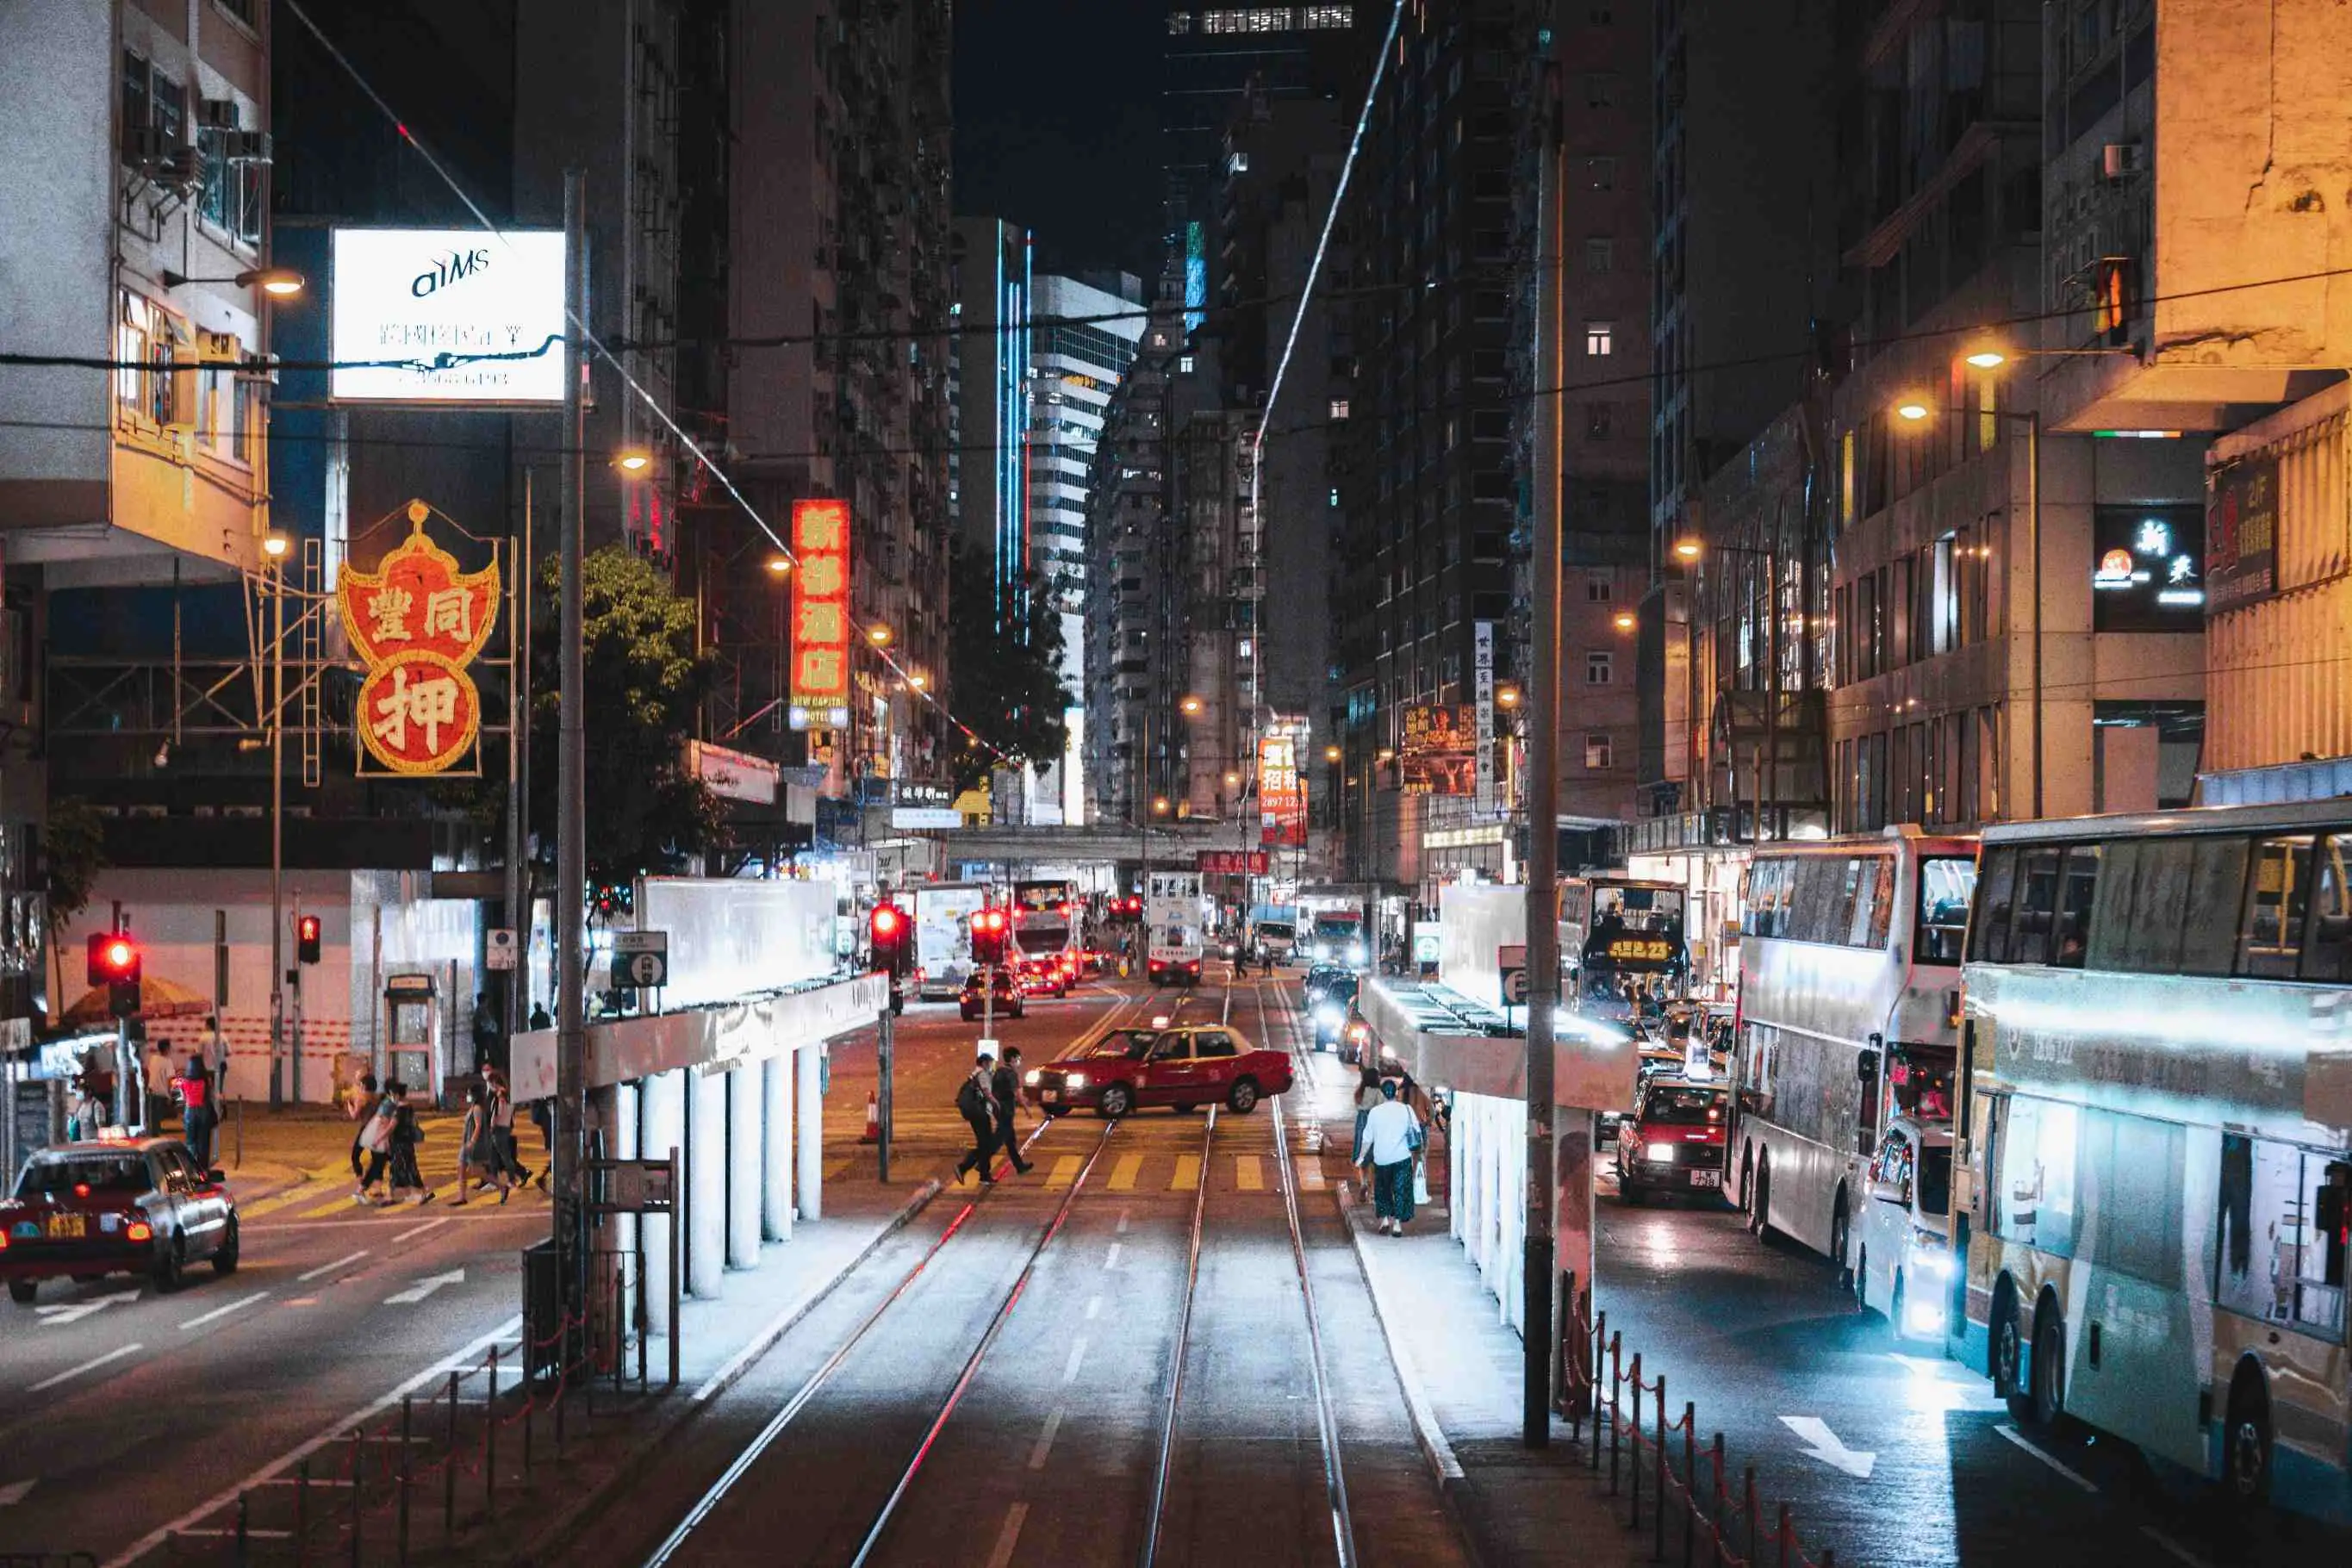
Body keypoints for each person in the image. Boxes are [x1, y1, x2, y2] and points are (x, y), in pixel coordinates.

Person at [1356, 1080, 1421, 1235]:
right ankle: (1397, 1224)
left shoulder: (1375, 1112)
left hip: (1382, 1158)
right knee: (1400, 1190)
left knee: (1383, 1189)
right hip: (1402, 1157)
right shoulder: (1406, 1109)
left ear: (1382, 1093)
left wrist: (1361, 1156)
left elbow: (1367, 1138)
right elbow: (1417, 1130)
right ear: (1397, 1093)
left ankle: (1385, 1220)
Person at [452, 1082, 509, 1205]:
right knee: (469, 1170)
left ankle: (501, 1187)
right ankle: (462, 1196)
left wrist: (472, 1142)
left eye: (469, 1094)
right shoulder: (475, 1107)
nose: (468, 1096)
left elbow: (478, 1126)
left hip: (473, 1145)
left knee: (473, 1171)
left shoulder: (477, 1108)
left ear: (474, 1095)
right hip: (469, 1143)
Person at [484, 1066, 534, 1189]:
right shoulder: (508, 1094)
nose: (490, 1086)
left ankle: (512, 1180)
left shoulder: (500, 1095)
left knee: (505, 1157)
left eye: (490, 1083)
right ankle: (495, 1180)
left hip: (499, 1129)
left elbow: (498, 1112)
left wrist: (492, 1124)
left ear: (494, 1082)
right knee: (496, 1156)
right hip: (506, 1127)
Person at [954, 1054, 999, 1185]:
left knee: (985, 1144)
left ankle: (983, 1173)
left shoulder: (974, 1075)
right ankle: (965, 1167)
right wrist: (997, 1105)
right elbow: (987, 1093)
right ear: (984, 1063)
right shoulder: (982, 1075)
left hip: (976, 1114)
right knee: (987, 1144)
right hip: (980, 1114)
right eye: (990, 1063)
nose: (991, 1066)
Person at [386, 1083, 433, 1205]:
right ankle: (394, 1195)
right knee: (405, 1168)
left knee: (400, 1168)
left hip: (398, 1144)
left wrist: (381, 1137)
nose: (391, 1097)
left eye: (392, 1095)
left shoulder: (398, 1110)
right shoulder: (409, 1107)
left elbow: (392, 1127)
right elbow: (414, 1122)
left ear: (396, 1095)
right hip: (408, 1143)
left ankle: (420, 1192)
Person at [990, 1048, 1033, 1174]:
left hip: (997, 1109)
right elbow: (1017, 1094)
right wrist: (1026, 1109)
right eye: (1018, 1059)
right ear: (1013, 1059)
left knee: (1010, 1141)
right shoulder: (1011, 1074)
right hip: (1006, 1111)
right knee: (998, 1141)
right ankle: (979, 1162)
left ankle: (1019, 1166)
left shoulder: (998, 1071)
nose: (1019, 1062)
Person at [354, 1083, 399, 1204]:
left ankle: (366, 1190)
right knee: (380, 1165)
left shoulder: (385, 1103)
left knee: (379, 1165)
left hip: (377, 1139)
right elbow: (385, 1124)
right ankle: (361, 1190)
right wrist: (384, 1141)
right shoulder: (388, 1104)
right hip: (378, 1140)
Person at [175, 1053, 216, 1167]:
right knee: (203, 1140)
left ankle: (191, 1164)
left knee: (190, 1140)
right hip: (203, 1110)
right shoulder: (206, 1080)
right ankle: (203, 1165)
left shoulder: (185, 1081)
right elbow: (210, 1095)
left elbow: (182, 1096)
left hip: (190, 1110)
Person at [345, 1072, 380, 1182]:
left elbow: (354, 1115)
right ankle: (378, 1188)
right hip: (377, 1128)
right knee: (377, 1159)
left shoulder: (361, 1098)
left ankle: (361, 1180)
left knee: (355, 1155)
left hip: (366, 1129)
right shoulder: (378, 1098)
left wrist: (349, 1106)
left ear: (364, 1086)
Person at [1352, 1064, 1384, 1163]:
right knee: (1371, 1140)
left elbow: (1357, 1105)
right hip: (1372, 1117)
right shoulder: (1377, 1092)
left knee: (1360, 1138)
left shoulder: (1360, 1090)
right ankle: (1369, 1159)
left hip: (1361, 1117)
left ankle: (1359, 1158)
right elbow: (1379, 1106)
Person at [144, 1042, 176, 1133]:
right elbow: (170, 1080)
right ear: (167, 1049)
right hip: (161, 1093)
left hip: (151, 1090)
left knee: (151, 1118)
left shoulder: (153, 1059)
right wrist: (170, 1095)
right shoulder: (168, 1062)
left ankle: (152, 1135)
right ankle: (155, 1136)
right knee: (157, 1119)